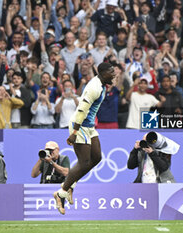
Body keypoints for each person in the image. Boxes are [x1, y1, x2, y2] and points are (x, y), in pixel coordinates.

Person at [53, 62, 118, 215]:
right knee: (84, 162)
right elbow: (81, 109)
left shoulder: (102, 84)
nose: (114, 75)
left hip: (88, 126)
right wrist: (74, 132)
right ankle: (61, 192)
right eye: (111, 72)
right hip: (80, 125)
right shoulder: (94, 87)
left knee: (96, 158)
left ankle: (71, 184)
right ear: (102, 73)